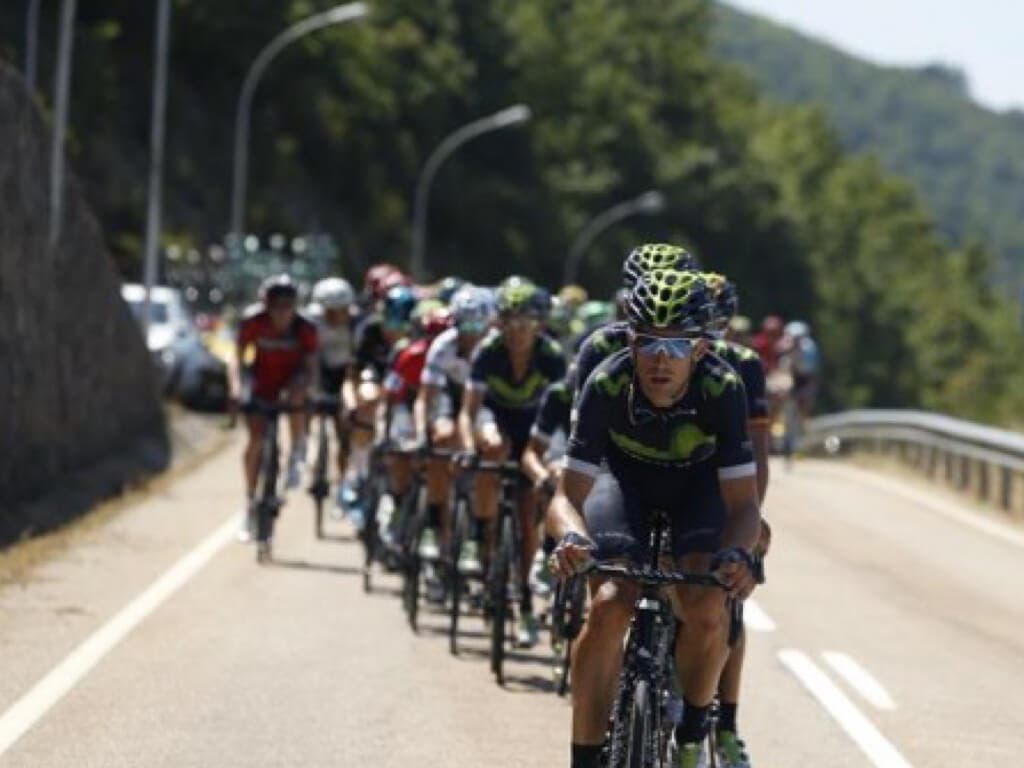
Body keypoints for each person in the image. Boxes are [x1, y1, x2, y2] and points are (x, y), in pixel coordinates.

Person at [547, 267, 761, 768]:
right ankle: (585, 757)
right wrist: (571, 539)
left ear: (702, 349)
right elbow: (566, 495)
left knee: (707, 605)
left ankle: (691, 733)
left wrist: (737, 553)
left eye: (678, 345)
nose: (661, 358)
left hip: (697, 487)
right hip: (621, 483)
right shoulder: (607, 382)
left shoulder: (723, 388)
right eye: (648, 343)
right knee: (608, 602)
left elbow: (744, 505)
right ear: (631, 340)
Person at [458, 276, 566, 647]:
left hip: (534, 432)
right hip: (496, 424)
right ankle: (478, 534)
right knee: (491, 448)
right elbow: (468, 410)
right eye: (510, 323)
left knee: (525, 524)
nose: (518, 332)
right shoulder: (488, 351)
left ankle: (524, 604)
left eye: (526, 323)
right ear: (499, 323)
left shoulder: (551, 357)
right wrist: (471, 443)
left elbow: (563, 414)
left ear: (539, 324)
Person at [412, 285, 495, 570]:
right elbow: (425, 398)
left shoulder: (495, 347)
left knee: (492, 443)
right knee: (442, 439)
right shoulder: (444, 346)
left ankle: (481, 537)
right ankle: (434, 524)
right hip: (450, 397)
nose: (470, 332)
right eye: (464, 324)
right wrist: (421, 433)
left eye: (477, 324)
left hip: (486, 402)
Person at [230, 274, 319, 540]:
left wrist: (310, 391)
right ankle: (250, 502)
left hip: (292, 383)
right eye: (276, 307)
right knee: (256, 440)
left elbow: (312, 365)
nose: (281, 313)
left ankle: (297, 452)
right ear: (266, 306)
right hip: (261, 384)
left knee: (297, 398)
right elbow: (236, 356)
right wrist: (235, 388)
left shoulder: (306, 328)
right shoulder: (253, 322)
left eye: (287, 306)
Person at [306, 277, 357, 510]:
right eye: (331, 311)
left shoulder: (356, 324)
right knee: (315, 419)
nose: (337, 316)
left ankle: (342, 481)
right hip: (320, 370)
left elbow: (355, 363)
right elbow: (310, 359)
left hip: (346, 373)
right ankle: (311, 463)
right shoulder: (312, 322)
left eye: (341, 311)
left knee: (343, 432)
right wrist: (313, 391)